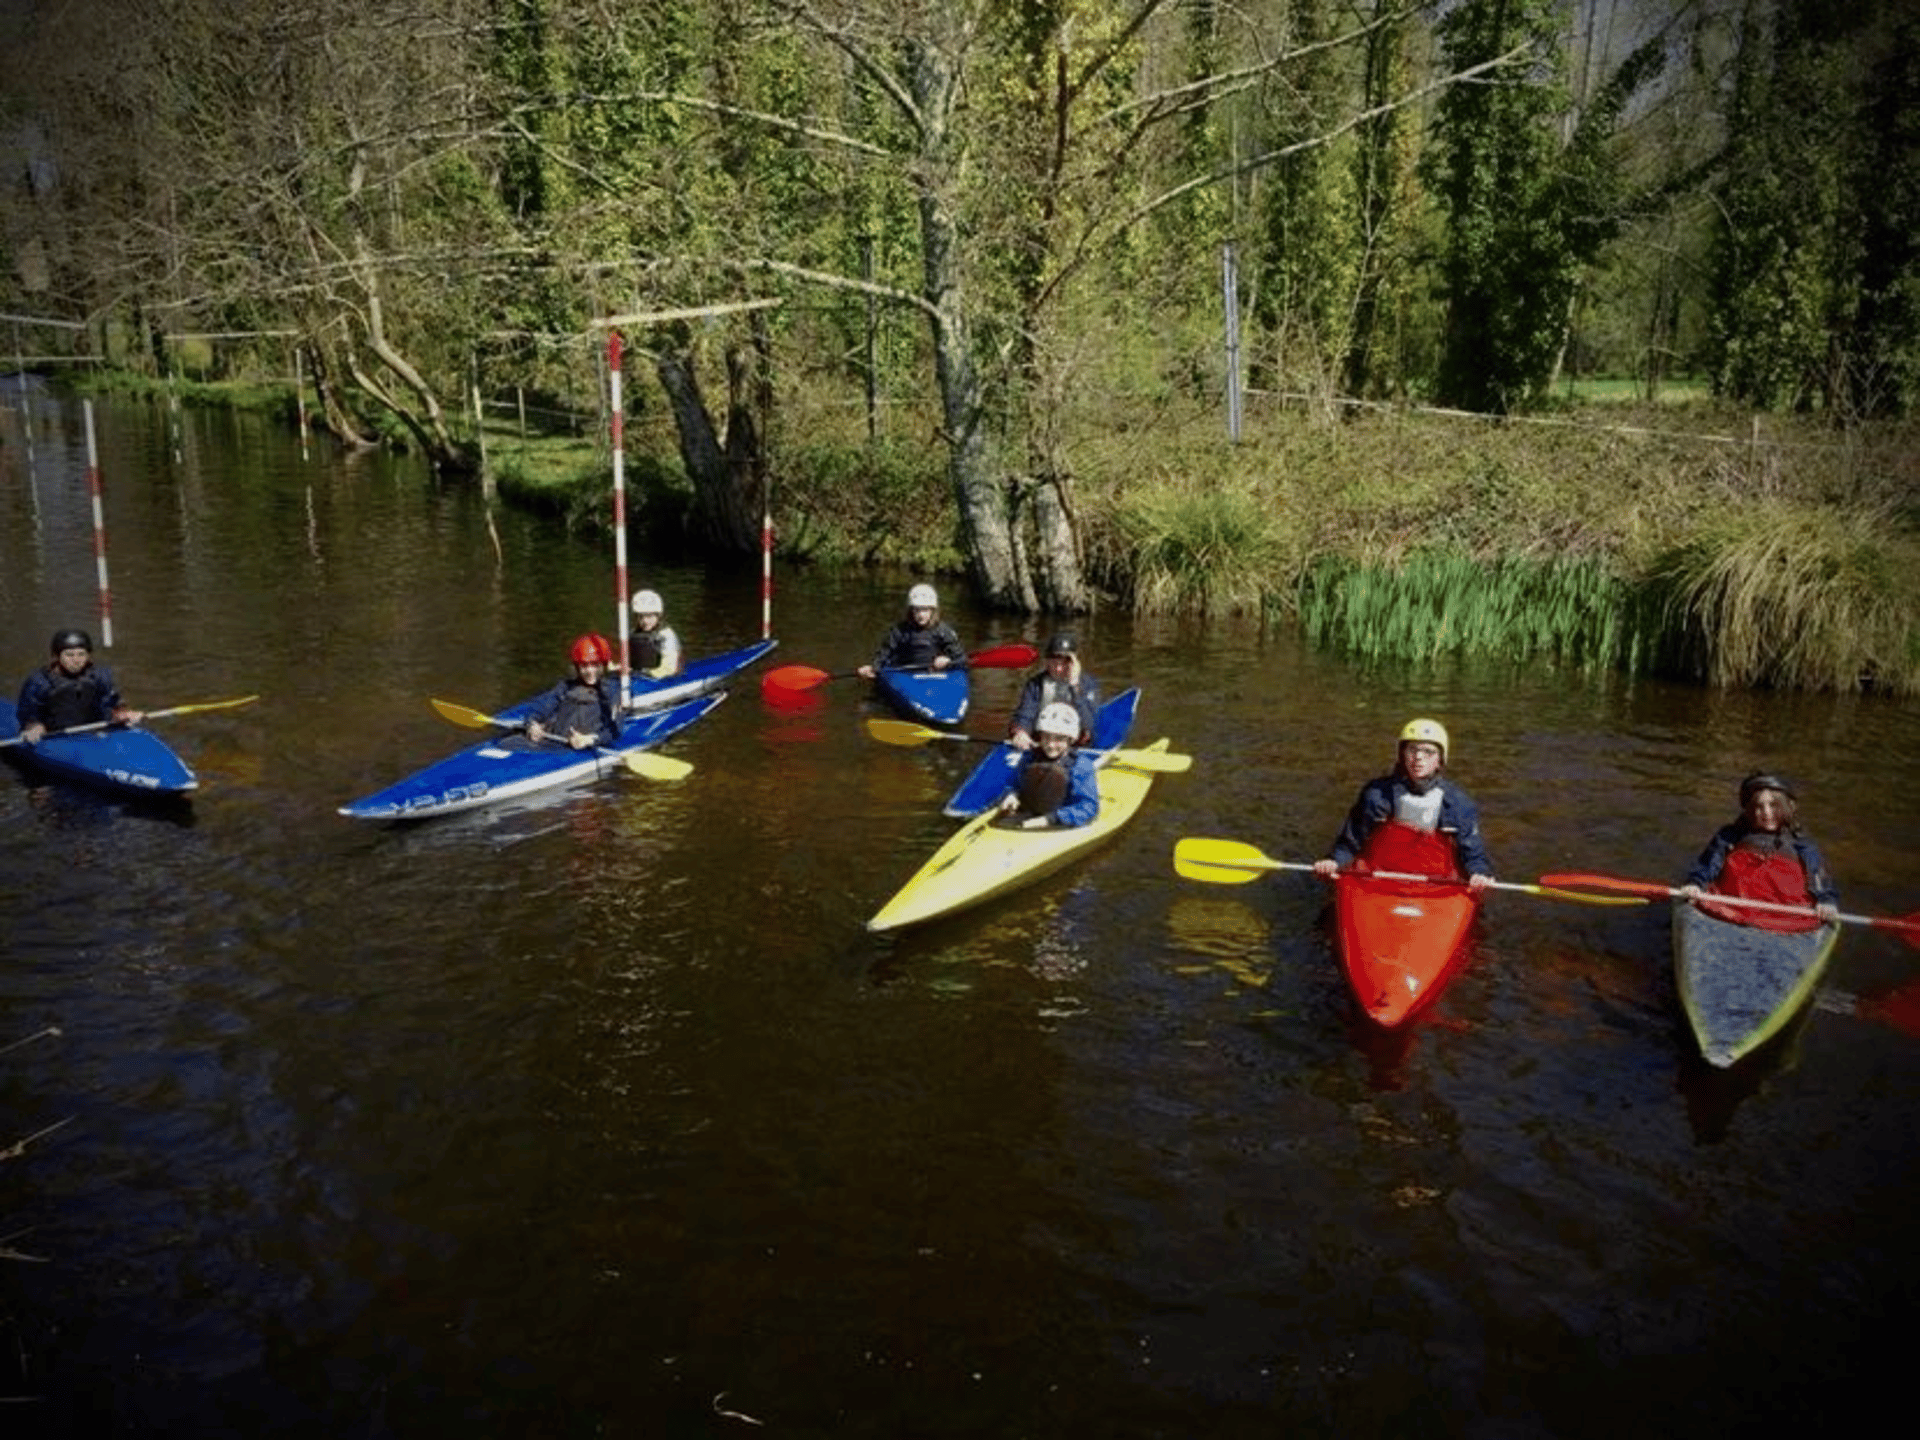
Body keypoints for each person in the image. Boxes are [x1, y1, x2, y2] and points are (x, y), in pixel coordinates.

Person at [1312, 718, 1495, 889]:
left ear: (1440, 760)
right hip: (1378, 876)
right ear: (1402, 754)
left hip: (1434, 881)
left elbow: (1473, 854)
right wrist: (1333, 862)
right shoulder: (1376, 795)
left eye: (1428, 752)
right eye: (1412, 750)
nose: (1418, 757)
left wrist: (1479, 875)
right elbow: (1350, 843)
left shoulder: (1458, 803)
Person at [1679, 772, 1839, 926]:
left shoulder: (1802, 843)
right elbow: (1709, 864)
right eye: (1758, 806)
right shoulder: (1730, 836)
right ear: (1749, 809)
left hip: (1786, 915)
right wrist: (1696, 883)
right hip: (1729, 907)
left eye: (1774, 806)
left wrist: (1825, 900)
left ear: (1787, 807)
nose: (1766, 813)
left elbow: (1817, 874)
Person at [15, 628, 142, 744]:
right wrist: (34, 726)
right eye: (69, 655)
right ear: (57, 656)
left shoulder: (100, 676)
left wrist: (122, 714)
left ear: (88, 656)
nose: (76, 660)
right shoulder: (40, 681)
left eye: (81, 654)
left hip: (94, 734)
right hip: (55, 737)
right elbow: (28, 712)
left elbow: (112, 702)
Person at [995, 702, 1100, 830]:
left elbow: (1088, 807)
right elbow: (1015, 784)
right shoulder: (1029, 758)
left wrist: (1049, 819)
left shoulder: (1081, 766)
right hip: (1030, 812)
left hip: (1060, 821)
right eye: (1046, 737)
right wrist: (1012, 795)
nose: (1051, 745)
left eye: (1059, 739)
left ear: (1070, 740)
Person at [525, 634, 622, 750]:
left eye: (595, 665)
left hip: (583, 747)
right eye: (584, 666)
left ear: (603, 665)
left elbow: (615, 730)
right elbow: (540, 708)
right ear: (577, 667)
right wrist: (533, 724)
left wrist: (590, 740)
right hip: (555, 741)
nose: (590, 671)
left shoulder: (612, 692)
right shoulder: (565, 686)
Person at [1008, 632, 1101, 749]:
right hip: (1044, 741)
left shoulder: (1088, 684)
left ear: (1074, 663)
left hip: (1073, 743)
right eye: (1054, 662)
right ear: (1047, 662)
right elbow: (1025, 713)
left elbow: (1089, 724)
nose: (1058, 669)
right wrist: (1021, 732)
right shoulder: (1035, 684)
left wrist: (1074, 685)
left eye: (1064, 663)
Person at [857, 583, 966, 680]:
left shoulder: (943, 631)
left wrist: (948, 660)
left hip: (933, 674)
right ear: (911, 610)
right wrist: (873, 667)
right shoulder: (900, 631)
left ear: (933, 610)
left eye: (925, 610)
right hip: (904, 673)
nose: (921, 615)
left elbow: (960, 658)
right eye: (917, 610)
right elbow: (885, 652)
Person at [628, 589, 682, 680]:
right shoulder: (632, 633)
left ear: (658, 616)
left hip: (663, 680)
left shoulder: (666, 635)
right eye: (641, 617)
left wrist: (645, 673)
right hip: (637, 677)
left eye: (649, 616)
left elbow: (669, 668)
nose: (645, 621)